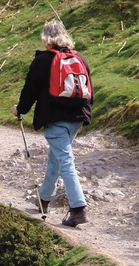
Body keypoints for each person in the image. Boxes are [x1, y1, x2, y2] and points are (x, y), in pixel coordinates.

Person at [13, 20, 91, 227]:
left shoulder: (43, 60)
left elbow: (30, 89)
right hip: (76, 119)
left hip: (55, 119)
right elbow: (89, 90)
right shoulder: (78, 58)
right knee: (56, 158)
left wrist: (20, 110)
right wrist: (84, 117)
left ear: (46, 39)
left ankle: (78, 208)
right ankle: (44, 198)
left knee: (65, 160)